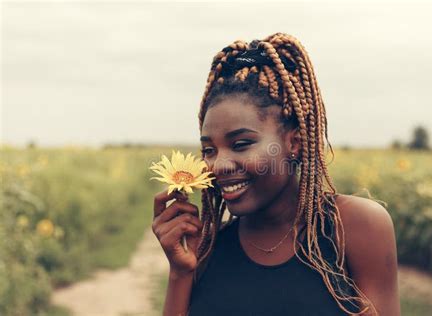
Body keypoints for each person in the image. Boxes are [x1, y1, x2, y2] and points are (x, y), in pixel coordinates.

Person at [152, 32, 400, 315]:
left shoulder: (355, 227)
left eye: (241, 144)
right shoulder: (208, 249)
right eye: (209, 150)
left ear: (293, 142)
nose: (217, 165)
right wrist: (180, 273)